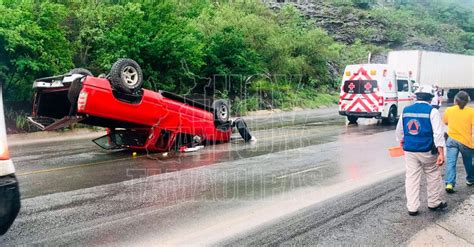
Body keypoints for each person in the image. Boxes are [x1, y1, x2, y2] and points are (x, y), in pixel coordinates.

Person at [396, 85, 447, 216]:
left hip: (410, 150)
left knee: (411, 177)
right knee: (433, 174)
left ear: (416, 97)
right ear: (430, 98)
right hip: (427, 151)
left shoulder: (406, 110)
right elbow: (438, 134)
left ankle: (412, 208)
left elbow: (400, 131)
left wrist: (402, 141)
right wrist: (441, 152)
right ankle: (434, 203)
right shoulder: (432, 111)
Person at [443, 91, 474, 193]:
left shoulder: (449, 110)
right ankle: (470, 179)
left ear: (456, 100)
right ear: (467, 101)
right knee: (468, 163)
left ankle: (449, 183)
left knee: (451, 163)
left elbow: (446, 122)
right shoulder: (471, 111)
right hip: (466, 141)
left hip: (451, 140)